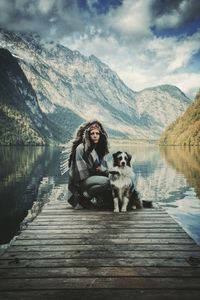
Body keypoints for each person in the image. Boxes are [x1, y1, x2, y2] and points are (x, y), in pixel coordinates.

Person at [67, 120, 112, 209]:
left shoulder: (98, 150)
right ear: (88, 135)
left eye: (97, 133)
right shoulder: (81, 148)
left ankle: (98, 199)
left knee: (112, 180)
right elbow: (81, 175)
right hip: (81, 183)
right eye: (92, 133)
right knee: (107, 181)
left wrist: (104, 171)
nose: (95, 136)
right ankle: (84, 197)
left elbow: (103, 169)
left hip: (92, 179)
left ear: (101, 135)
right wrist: (98, 171)